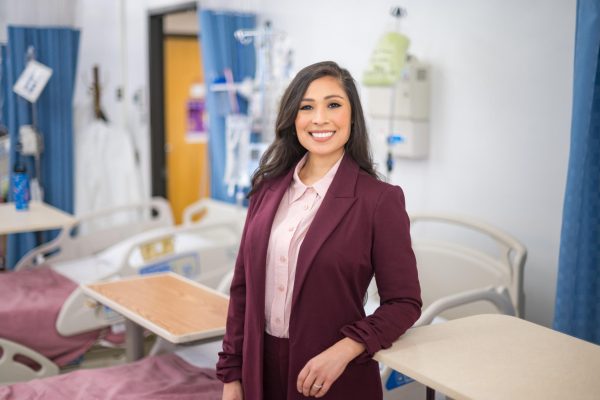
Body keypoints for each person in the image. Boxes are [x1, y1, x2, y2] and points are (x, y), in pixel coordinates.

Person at [217, 61, 422, 400]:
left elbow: (404, 302)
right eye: (306, 107)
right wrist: (231, 376)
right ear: (293, 119)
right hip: (258, 372)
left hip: (329, 377)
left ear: (352, 116)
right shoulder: (266, 190)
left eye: (333, 105)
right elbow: (242, 291)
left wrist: (346, 349)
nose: (319, 118)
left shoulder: (379, 200)